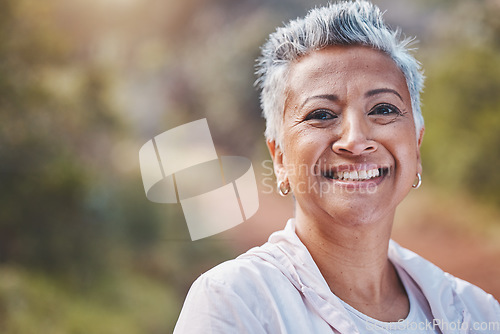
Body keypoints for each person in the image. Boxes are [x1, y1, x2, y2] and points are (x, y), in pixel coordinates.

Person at [174, 1, 500, 333]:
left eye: (383, 108)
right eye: (321, 114)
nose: (356, 141)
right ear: (280, 159)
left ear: (416, 147)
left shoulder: (476, 313)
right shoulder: (234, 303)